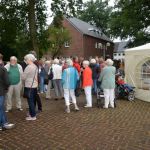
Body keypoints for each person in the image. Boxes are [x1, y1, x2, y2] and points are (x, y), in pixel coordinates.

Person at [0, 53, 15, 131]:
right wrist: (5, 89)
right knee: (1, 108)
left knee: (1, 108)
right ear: (1, 59)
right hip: (1, 91)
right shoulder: (3, 69)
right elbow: (7, 82)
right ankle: (2, 124)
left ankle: (5, 122)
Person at [22, 54, 38, 121]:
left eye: (26, 59)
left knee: (30, 101)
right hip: (34, 85)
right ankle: (33, 113)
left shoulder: (28, 67)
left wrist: (21, 74)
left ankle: (33, 116)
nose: (25, 61)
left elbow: (23, 77)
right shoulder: (35, 66)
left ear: (29, 59)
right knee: (33, 100)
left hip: (29, 86)